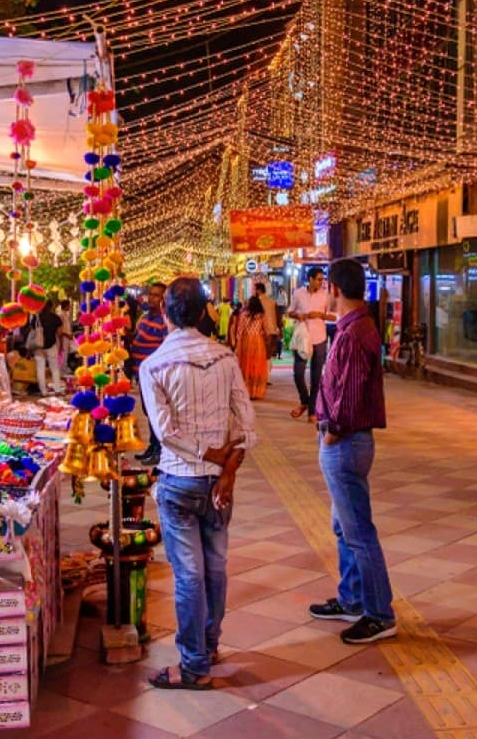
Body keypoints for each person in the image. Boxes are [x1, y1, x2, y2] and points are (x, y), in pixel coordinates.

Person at [140, 277, 256, 690]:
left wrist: (216, 460)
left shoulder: (152, 365)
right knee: (217, 568)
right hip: (217, 487)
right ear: (206, 313)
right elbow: (246, 425)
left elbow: (166, 432)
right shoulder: (226, 357)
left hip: (179, 483)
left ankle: (193, 667)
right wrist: (227, 469)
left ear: (165, 313)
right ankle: (207, 646)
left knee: (190, 575)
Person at [309, 258, 396, 644]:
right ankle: (352, 598)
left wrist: (332, 432)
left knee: (359, 532)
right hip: (343, 440)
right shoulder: (351, 328)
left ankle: (379, 613)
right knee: (343, 527)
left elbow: (351, 394)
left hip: (345, 441)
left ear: (337, 290)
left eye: (327, 287)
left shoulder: (355, 332)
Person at [128, 282, 170, 466]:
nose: (151, 298)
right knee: (148, 412)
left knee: (156, 413)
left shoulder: (164, 320)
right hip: (141, 374)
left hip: (156, 376)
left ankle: (159, 450)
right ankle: (153, 447)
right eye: (151, 294)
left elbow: (165, 348)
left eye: (157, 295)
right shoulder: (145, 318)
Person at [289, 267, 335, 420]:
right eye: (318, 279)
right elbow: (290, 312)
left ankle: (312, 411)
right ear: (310, 279)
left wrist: (320, 315)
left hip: (319, 338)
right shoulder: (298, 293)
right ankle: (305, 401)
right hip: (303, 339)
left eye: (322, 279)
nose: (321, 282)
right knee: (298, 373)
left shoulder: (325, 296)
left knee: (316, 378)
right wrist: (298, 315)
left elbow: (334, 317)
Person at [234, 296, 270, 399]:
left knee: (246, 366)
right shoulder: (262, 316)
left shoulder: (244, 315)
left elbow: (239, 332)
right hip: (258, 342)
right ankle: (256, 392)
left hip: (246, 343)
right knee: (256, 366)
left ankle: (247, 391)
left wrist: (238, 344)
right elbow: (266, 331)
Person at [34, 299, 65, 395]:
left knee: (40, 368)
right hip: (51, 345)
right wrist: (61, 345)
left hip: (38, 346)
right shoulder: (55, 318)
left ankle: (43, 391)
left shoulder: (37, 317)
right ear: (51, 307)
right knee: (55, 367)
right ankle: (58, 390)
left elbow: (32, 332)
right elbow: (60, 334)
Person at [255, 282, 281, 361]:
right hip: (272, 331)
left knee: (260, 354)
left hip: (260, 331)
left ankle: (262, 371)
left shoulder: (256, 302)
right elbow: (278, 317)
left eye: (255, 290)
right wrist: (280, 329)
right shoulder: (272, 302)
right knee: (268, 355)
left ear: (259, 290)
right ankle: (266, 371)